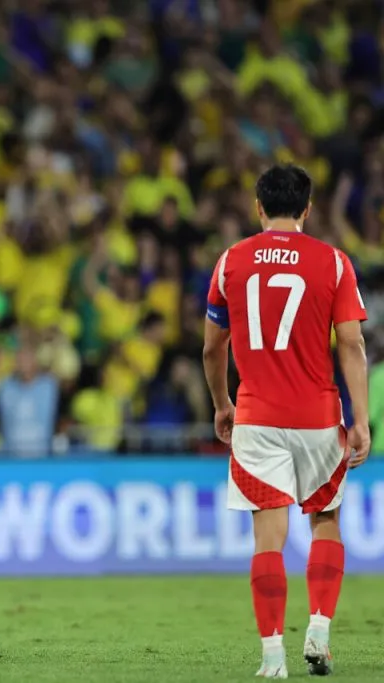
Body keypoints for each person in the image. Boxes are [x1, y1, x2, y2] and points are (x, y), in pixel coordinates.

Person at [202, 164, 369, 679]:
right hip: (318, 417)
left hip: (256, 417)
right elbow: (352, 344)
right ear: (308, 208)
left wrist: (222, 403)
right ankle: (318, 630)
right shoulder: (334, 263)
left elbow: (212, 348)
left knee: (267, 539)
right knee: (326, 522)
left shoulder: (231, 261)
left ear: (258, 207)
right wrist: (361, 420)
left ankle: (272, 656)